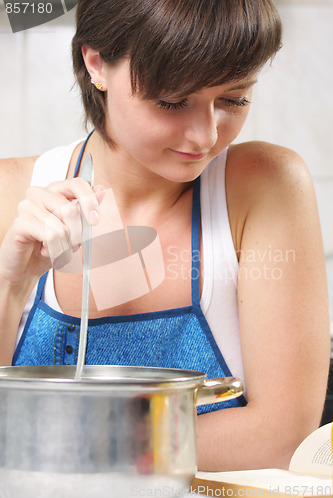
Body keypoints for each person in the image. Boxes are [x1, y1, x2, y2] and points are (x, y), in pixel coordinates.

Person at [0, 0, 330, 472]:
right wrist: (10, 286)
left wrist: (60, 445)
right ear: (96, 64)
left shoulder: (265, 186)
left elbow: (280, 437)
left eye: (234, 99)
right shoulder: (9, 195)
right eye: (173, 101)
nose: (206, 135)